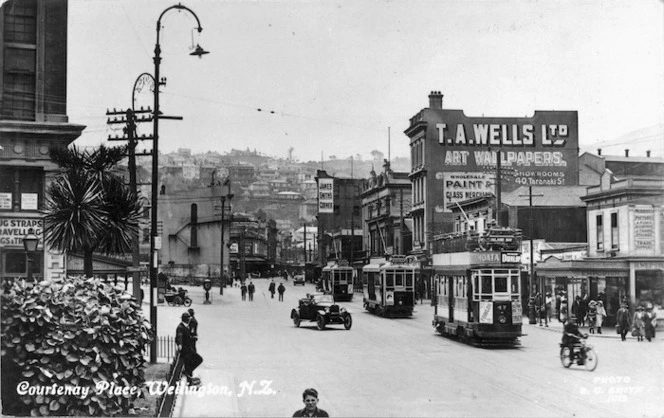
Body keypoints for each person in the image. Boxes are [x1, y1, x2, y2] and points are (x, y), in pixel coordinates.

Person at [176, 312, 203, 386]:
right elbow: (179, 336)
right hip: (186, 351)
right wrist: (180, 344)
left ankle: (188, 375)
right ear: (186, 320)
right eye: (188, 319)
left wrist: (192, 338)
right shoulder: (180, 327)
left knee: (196, 361)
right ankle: (188, 377)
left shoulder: (185, 326)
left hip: (189, 349)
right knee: (198, 359)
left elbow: (185, 336)